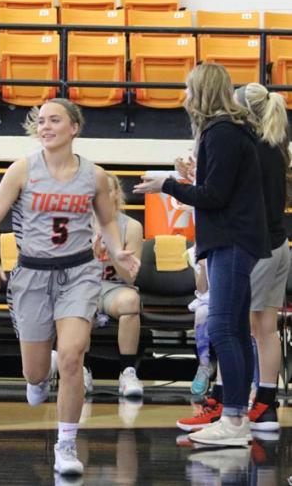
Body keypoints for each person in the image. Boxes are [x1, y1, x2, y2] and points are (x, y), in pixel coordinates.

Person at [0, 98, 140, 476]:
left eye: (54, 120)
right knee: (34, 374)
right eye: (41, 121)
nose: (45, 126)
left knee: (73, 355)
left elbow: (107, 223)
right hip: (32, 274)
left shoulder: (95, 176)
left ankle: (66, 444)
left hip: (79, 273)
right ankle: (41, 371)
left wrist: (119, 251)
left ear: (74, 128)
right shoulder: (22, 170)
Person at [134, 63, 270, 447]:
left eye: (190, 90)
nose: (186, 98)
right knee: (236, 331)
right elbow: (218, 189)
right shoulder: (229, 131)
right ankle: (236, 418)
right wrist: (192, 179)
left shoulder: (222, 131)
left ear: (204, 93)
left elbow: (214, 197)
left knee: (225, 328)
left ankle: (233, 419)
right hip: (235, 239)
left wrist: (168, 184)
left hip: (231, 240)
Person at [235, 83, 290, 432]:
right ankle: (266, 405)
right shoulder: (276, 147)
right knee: (265, 329)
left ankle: (233, 404)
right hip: (278, 243)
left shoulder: (251, 149)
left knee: (241, 327)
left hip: (258, 248)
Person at [92, 172, 143, 397]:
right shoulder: (78, 223)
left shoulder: (131, 227)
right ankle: (81, 370)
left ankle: (127, 371)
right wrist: (92, 256)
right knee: (74, 300)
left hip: (116, 287)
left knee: (131, 301)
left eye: (107, 189)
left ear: (116, 193)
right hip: (85, 284)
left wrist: (113, 254)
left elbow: (130, 278)